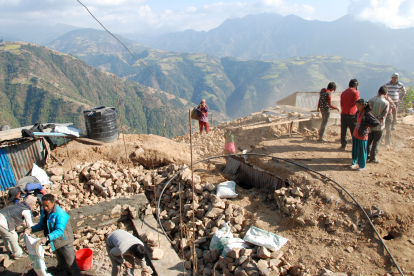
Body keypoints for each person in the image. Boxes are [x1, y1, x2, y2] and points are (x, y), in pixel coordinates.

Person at [26, 194, 81, 276]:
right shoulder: (45, 212)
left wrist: (47, 238)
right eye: (43, 205)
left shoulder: (60, 214)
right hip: (55, 241)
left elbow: (59, 230)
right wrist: (32, 229)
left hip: (65, 241)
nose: (45, 208)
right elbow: (42, 224)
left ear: (53, 203)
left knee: (71, 264)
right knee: (62, 263)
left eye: (47, 205)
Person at [350, 99, 380, 171]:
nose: (357, 107)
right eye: (357, 106)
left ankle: (362, 166)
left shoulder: (367, 114)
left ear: (364, 106)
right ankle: (354, 162)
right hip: (356, 133)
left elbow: (376, 122)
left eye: (359, 106)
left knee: (362, 151)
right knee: (355, 149)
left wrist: (368, 125)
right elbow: (355, 119)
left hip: (362, 134)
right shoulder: (359, 112)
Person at [367, 86, 390, 163]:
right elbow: (383, 116)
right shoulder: (386, 103)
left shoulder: (370, 100)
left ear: (378, 92)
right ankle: (373, 158)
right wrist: (376, 120)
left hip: (369, 125)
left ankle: (366, 156)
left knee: (369, 141)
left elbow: (367, 112)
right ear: (386, 94)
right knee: (376, 142)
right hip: (379, 126)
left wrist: (371, 121)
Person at [340, 79, 360, 150]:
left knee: (343, 130)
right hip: (351, 114)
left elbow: (341, 104)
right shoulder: (355, 92)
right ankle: (355, 146)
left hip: (343, 113)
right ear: (355, 85)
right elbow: (357, 103)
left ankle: (343, 145)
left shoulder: (343, 93)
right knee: (354, 131)